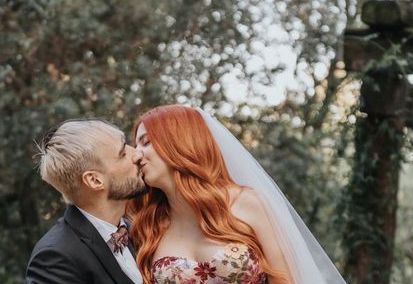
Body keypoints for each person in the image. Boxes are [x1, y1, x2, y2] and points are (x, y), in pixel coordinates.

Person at [129, 105, 347, 284]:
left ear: (179, 142)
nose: (136, 155)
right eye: (135, 145)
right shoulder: (149, 226)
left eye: (146, 143)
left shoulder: (246, 203)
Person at [26, 118, 147, 284]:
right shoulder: (56, 258)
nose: (137, 154)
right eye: (123, 154)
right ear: (95, 180)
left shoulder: (139, 231)